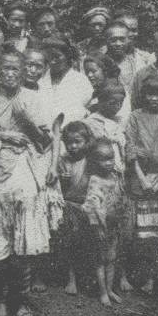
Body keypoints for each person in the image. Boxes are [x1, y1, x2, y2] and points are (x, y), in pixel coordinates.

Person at [0, 50, 58, 316]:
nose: (10, 73)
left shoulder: (32, 98)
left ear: (24, 72)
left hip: (22, 167)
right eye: (5, 68)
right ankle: (0, 300)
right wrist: (2, 134)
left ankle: (20, 300)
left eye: (15, 69)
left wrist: (26, 120)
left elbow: (45, 142)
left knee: (23, 236)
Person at [125, 74, 158, 294]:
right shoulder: (135, 117)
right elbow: (131, 148)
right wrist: (142, 178)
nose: (154, 98)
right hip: (140, 179)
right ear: (142, 95)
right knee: (136, 232)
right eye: (150, 94)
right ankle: (127, 276)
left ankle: (153, 279)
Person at [83, 82, 133, 291]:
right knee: (100, 230)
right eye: (111, 102)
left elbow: (126, 147)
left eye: (120, 103)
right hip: (100, 176)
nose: (116, 106)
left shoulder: (121, 122)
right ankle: (97, 280)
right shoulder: (91, 123)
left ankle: (118, 276)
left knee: (120, 229)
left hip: (119, 176)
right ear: (100, 101)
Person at [82, 138, 129, 306]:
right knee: (100, 260)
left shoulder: (115, 175)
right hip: (101, 227)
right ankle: (102, 292)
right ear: (94, 161)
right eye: (104, 159)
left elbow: (121, 197)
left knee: (112, 258)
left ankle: (109, 289)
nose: (109, 163)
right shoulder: (95, 179)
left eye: (111, 158)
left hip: (114, 225)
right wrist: (97, 227)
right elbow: (90, 206)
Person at [57, 121, 93, 296]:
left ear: (87, 141)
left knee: (89, 243)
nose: (72, 146)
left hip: (88, 207)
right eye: (68, 142)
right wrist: (62, 179)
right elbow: (60, 189)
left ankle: (86, 278)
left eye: (77, 141)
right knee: (70, 243)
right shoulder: (63, 160)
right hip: (70, 206)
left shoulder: (91, 160)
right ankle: (71, 279)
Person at [38, 37, 94, 127]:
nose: (52, 61)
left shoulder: (80, 81)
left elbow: (90, 109)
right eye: (49, 57)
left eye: (57, 56)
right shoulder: (41, 80)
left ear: (67, 55)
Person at [83, 52, 131, 126]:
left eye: (94, 71)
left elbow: (120, 121)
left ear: (105, 71)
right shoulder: (95, 90)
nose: (89, 75)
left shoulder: (116, 90)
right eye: (87, 72)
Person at [105, 21, 153, 92]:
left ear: (128, 40)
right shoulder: (99, 64)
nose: (118, 44)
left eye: (122, 39)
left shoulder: (139, 64)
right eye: (113, 40)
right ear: (106, 40)